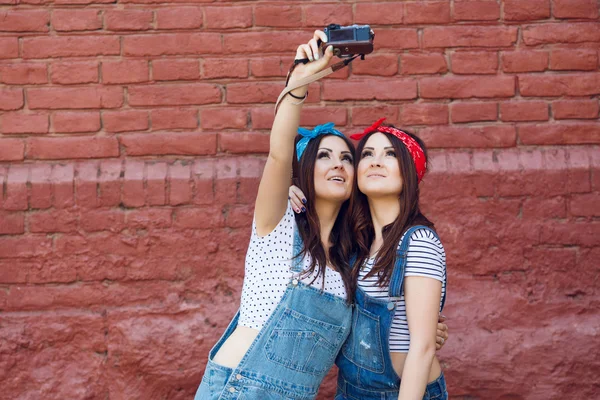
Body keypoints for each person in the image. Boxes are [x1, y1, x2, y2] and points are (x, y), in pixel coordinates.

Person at [194, 30, 357, 400]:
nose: (338, 164)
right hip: (239, 389)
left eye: (347, 158)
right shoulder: (278, 223)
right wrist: (298, 84)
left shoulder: (350, 261)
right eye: (325, 156)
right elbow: (279, 155)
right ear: (305, 169)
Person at [290, 118, 449, 400]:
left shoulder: (418, 242)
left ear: (410, 172)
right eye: (367, 154)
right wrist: (290, 191)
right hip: (351, 392)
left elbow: (423, 348)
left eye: (389, 154)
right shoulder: (354, 245)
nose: (376, 161)